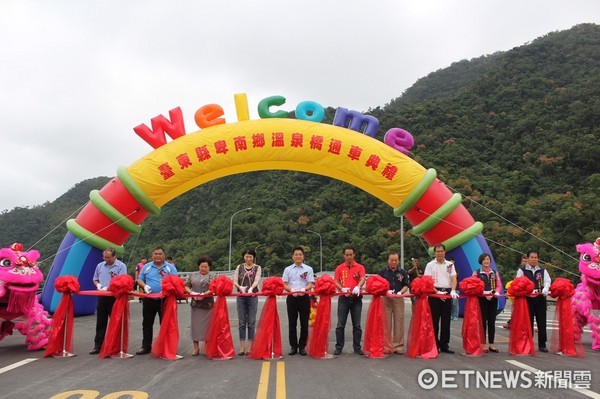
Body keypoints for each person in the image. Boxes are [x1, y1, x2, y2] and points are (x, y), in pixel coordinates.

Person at [135, 247, 178, 355]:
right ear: (152, 255)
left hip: (165, 300)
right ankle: (146, 346)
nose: (157, 256)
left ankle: (166, 346)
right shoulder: (147, 267)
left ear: (164, 255)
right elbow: (139, 279)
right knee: (147, 323)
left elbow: (176, 281)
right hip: (149, 299)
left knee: (165, 323)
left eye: (160, 254)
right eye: (155, 254)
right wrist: (144, 286)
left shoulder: (170, 267)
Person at [89, 247, 128, 354]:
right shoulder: (100, 266)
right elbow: (95, 278)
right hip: (102, 296)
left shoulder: (121, 266)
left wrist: (110, 287)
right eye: (105, 257)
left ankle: (115, 345)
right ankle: (98, 345)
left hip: (115, 297)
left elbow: (123, 281)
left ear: (114, 256)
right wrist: (98, 285)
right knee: (101, 322)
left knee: (115, 322)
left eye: (109, 257)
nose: (106, 259)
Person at [424, 243, 458, 354]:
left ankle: (444, 344)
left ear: (445, 252)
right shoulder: (430, 265)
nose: (439, 253)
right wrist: (436, 291)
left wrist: (453, 290)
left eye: (441, 251)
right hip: (434, 292)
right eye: (437, 251)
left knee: (446, 320)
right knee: (434, 320)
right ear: (435, 253)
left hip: (447, 291)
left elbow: (454, 278)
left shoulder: (449, 265)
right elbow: (427, 281)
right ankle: (434, 343)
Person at [515, 249, 551, 352]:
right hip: (527, 299)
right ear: (527, 258)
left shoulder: (543, 270)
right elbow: (518, 282)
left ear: (538, 259)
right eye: (531, 257)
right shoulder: (522, 270)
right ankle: (528, 343)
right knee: (528, 322)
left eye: (535, 258)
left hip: (540, 299)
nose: (534, 259)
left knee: (542, 322)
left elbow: (547, 281)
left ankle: (542, 344)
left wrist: (546, 288)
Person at [333, 246, 366, 355]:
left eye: (351, 254)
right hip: (344, 298)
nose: (349, 257)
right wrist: (341, 288)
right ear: (344, 255)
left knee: (357, 324)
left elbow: (362, 278)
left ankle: (357, 346)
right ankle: (339, 346)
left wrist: (358, 286)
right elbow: (336, 281)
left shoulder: (360, 267)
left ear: (354, 255)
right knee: (340, 324)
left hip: (356, 298)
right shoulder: (339, 268)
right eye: (347, 255)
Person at [282, 247, 314, 356]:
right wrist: (290, 290)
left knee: (304, 323)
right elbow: (284, 283)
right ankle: (293, 346)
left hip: (304, 297)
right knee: (292, 323)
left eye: (300, 254)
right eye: (296, 254)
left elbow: (310, 283)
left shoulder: (308, 269)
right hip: (292, 298)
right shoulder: (288, 269)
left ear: (303, 256)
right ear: (292, 256)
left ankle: (302, 347)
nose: (298, 256)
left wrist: (305, 289)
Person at [377, 251, 409, 354]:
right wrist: (385, 291)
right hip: (386, 299)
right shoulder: (382, 272)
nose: (394, 262)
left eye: (396, 260)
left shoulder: (403, 272)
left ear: (398, 261)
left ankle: (398, 346)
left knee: (399, 321)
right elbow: (377, 284)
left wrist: (401, 292)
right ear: (388, 260)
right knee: (386, 322)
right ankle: (387, 345)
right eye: (392, 260)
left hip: (398, 298)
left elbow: (406, 285)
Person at [184, 256, 214, 356]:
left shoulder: (212, 276)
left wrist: (205, 293)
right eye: (202, 267)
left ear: (209, 267)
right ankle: (196, 347)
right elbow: (186, 286)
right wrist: (191, 293)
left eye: (206, 267)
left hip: (208, 304)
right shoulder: (192, 275)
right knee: (195, 326)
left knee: (208, 326)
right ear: (199, 266)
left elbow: (215, 287)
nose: (203, 269)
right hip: (195, 304)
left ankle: (207, 347)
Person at [233, 249, 262, 356]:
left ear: (253, 257)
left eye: (250, 256)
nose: (248, 258)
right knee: (241, 321)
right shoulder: (239, 267)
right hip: (241, 296)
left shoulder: (257, 268)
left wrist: (251, 289)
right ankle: (242, 346)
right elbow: (235, 280)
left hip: (252, 296)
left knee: (251, 321)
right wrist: (239, 287)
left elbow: (257, 280)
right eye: (246, 256)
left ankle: (250, 346)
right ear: (243, 257)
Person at [474, 253, 502, 353]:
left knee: (491, 322)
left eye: (488, 259)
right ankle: (483, 343)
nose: (487, 261)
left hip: (493, 299)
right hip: (482, 299)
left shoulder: (494, 273)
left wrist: (497, 292)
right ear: (481, 261)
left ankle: (492, 343)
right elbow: (474, 285)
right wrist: (483, 293)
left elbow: (498, 285)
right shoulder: (477, 273)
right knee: (482, 322)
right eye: (485, 259)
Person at [503, 254, 528, 329]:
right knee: (515, 308)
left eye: (525, 261)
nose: (524, 262)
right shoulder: (520, 270)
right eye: (523, 261)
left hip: (527, 292)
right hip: (519, 292)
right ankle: (512, 322)